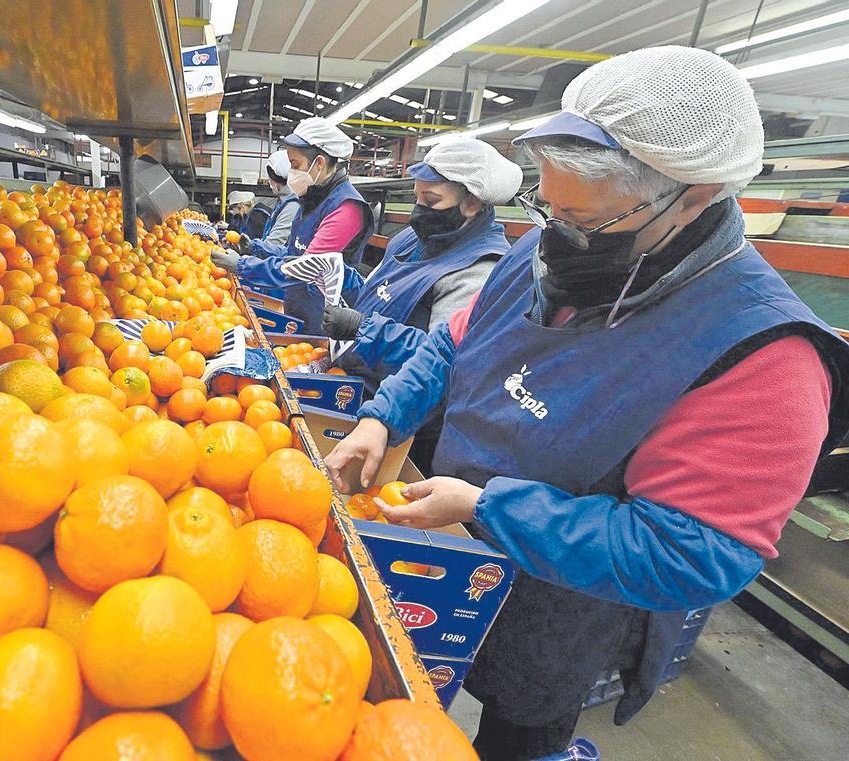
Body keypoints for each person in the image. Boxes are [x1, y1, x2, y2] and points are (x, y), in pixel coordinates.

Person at [323, 46, 849, 760]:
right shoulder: (543, 250)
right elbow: (455, 343)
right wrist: (385, 414)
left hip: (561, 608)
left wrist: (487, 508)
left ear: (696, 194)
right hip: (445, 550)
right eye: (550, 206)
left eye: (587, 220)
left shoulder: (765, 357)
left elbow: (694, 551)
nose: (559, 234)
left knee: (521, 728)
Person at [321, 137, 521, 469]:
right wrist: (340, 277)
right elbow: (380, 291)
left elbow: (442, 354)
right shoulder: (411, 239)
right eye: (416, 197)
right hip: (358, 392)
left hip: (404, 427)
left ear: (472, 202)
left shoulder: (477, 270)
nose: (418, 211)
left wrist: (363, 327)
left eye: (431, 200)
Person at [213, 117, 373, 334]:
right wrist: (255, 247)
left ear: (319, 163)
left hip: (325, 320)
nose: (290, 173)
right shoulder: (312, 199)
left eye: (295, 165)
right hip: (300, 307)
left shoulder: (346, 209)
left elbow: (305, 268)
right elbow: (294, 251)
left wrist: (242, 265)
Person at [241, 149, 301, 247]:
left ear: (276, 179)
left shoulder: (292, 205)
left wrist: (250, 248)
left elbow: (274, 243)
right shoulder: (282, 201)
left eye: (270, 178)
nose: (269, 182)